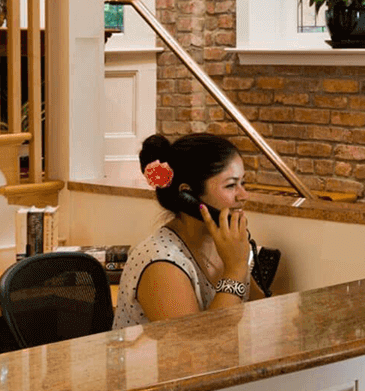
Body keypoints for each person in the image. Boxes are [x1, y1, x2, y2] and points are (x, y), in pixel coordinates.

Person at [113, 132, 266, 324]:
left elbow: (262, 314)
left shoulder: (223, 247)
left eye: (243, 183)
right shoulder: (160, 263)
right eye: (230, 186)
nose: (244, 196)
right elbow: (197, 341)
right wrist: (235, 270)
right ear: (188, 197)